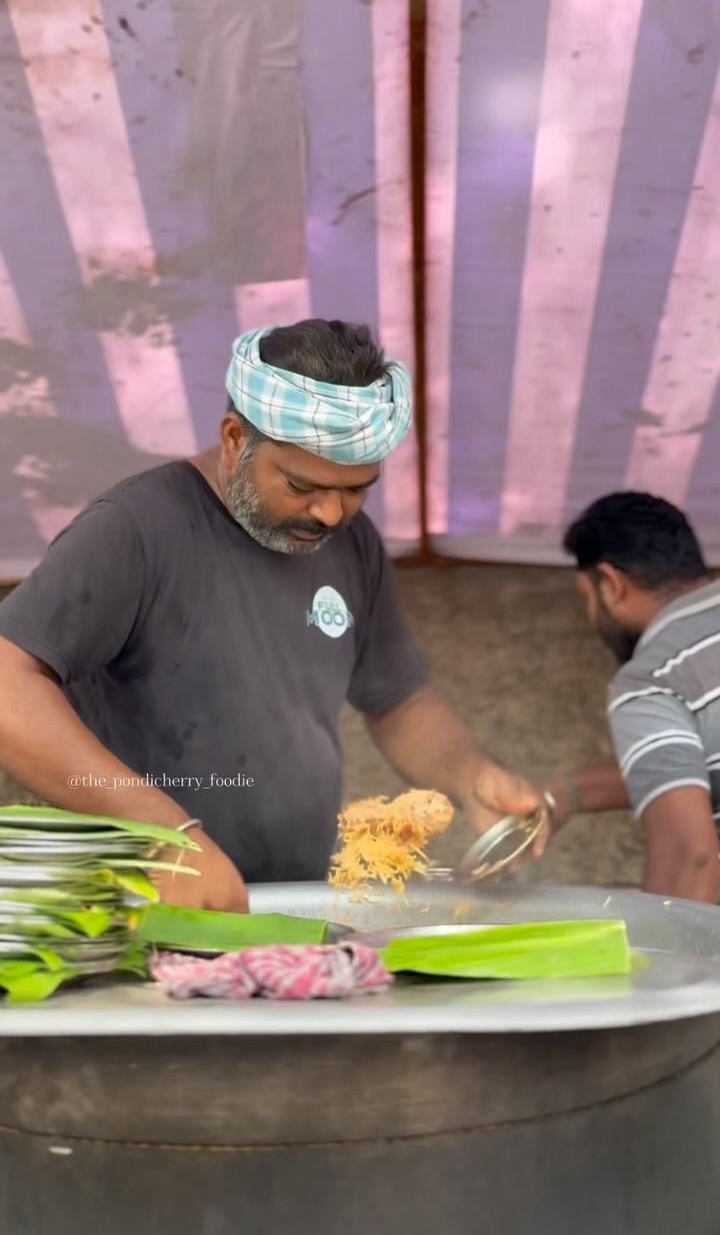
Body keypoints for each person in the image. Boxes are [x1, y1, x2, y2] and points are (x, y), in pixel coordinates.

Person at [0, 319, 544, 912]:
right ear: (235, 438)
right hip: (141, 909)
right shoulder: (133, 529)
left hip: (298, 905)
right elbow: (8, 683)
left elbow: (398, 701)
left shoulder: (353, 544)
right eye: (303, 484)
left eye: (358, 488)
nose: (333, 513)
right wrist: (167, 837)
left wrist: (472, 778)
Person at [549, 490, 719, 903]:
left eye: (586, 600)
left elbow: (688, 856)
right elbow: (695, 768)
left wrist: (652, 964)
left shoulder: (653, 676)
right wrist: (563, 795)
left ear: (610, 584)